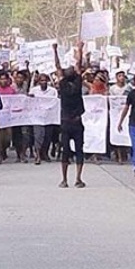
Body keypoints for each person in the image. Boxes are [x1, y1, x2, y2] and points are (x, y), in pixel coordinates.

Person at [53, 41, 86, 188]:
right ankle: (73, 179)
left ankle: (68, 179)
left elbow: (60, 67)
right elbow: (60, 66)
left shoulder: (66, 83)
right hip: (72, 122)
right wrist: (80, 49)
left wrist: (55, 50)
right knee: (73, 151)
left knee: (72, 151)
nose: (70, 68)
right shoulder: (74, 83)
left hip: (69, 122)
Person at [29, 73, 58, 165]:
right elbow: (29, 101)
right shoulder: (34, 90)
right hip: (37, 117)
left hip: (49, 117)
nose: (43, 82)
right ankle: (37, 155)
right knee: (38, 136)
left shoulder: (53, 91)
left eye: (45, 80)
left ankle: (44, 153)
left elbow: (55, 102)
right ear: (38, 82)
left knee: (47, 136)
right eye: (41, 80)